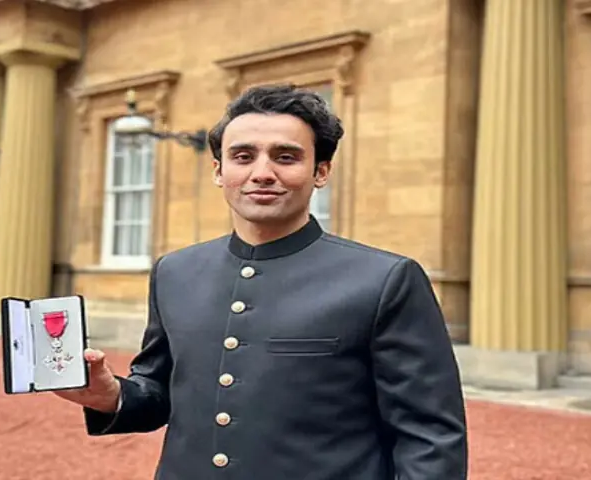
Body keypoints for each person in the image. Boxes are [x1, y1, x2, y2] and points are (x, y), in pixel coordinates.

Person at [55, 84, 468, 479]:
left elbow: (430, 437)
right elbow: (160, 391)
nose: (262, 172)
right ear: (219, 171)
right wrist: (110, 395)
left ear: (321, 171)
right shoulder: (174, 272)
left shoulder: (384, 280)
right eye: (243, 156)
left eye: (286, 157)